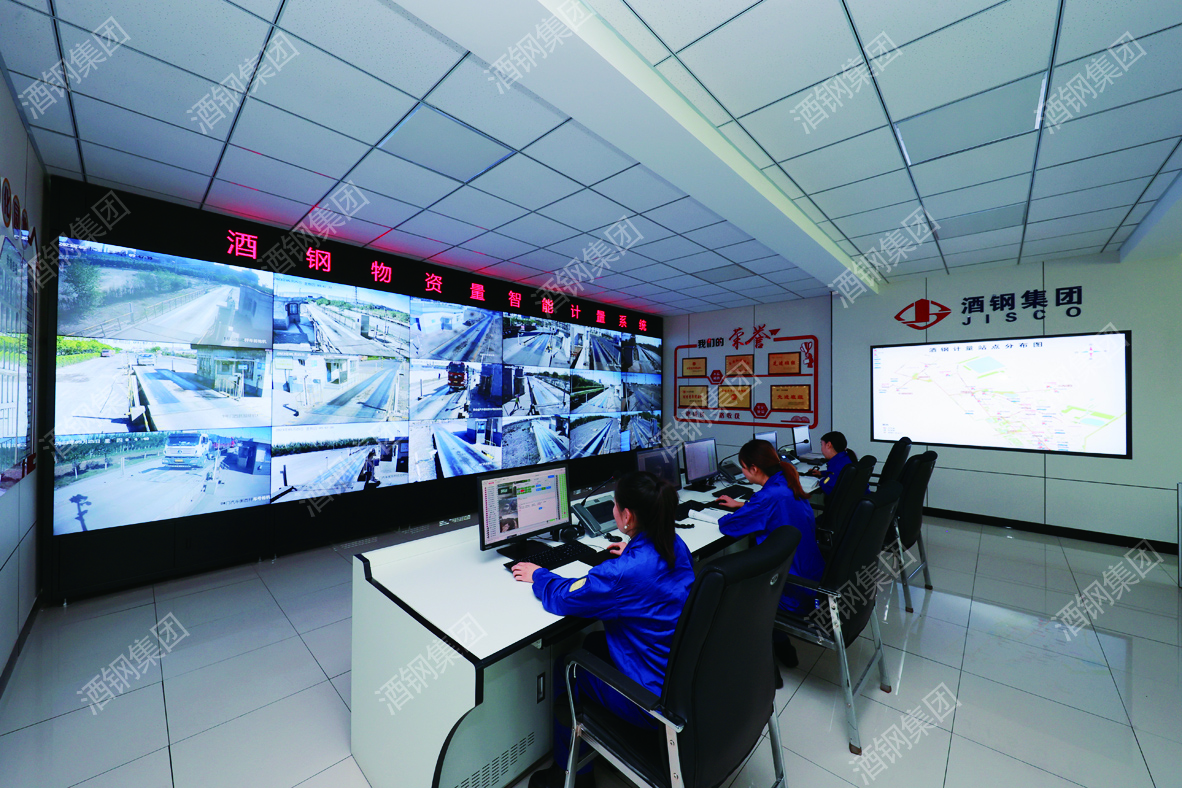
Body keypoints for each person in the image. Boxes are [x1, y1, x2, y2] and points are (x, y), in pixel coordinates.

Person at [512, 472, 694, 788]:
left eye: (615, 504)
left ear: (627, 516)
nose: (612, 509)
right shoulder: (674, 544)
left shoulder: (621, 574)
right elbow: (646, 574)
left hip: (651, 699)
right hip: (680, 677)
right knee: (594, 643)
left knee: (567, 667)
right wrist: (634, 550)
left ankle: (571, 776)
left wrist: (539, 574)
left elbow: (563, 598)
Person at [715, 439, 825, 673]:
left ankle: (765, 657)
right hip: (811, 576)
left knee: (731, 588)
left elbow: (729, 526)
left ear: (754, 468)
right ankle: (781, 645)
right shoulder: (786, 482)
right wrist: (745, 505)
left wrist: (735, 511)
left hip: (792, 588)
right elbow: (771, 508)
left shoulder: (768, 497)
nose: (742, 473)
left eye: (743, 468)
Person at [804, 431, 857, 496]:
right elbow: (837, 475)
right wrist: (821, 473)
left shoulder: (837, 466)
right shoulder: (845, 458)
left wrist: (820, 481)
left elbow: (827, 486)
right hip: (855, 498)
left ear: (828, 445)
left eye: (822, 445)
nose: (821, 449)